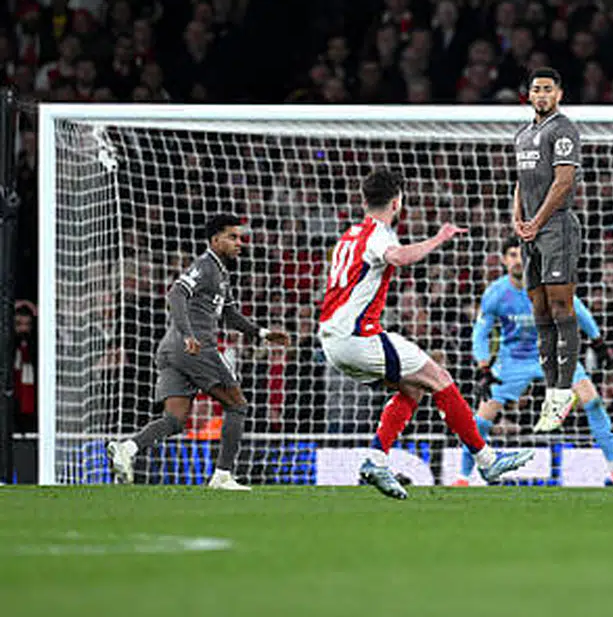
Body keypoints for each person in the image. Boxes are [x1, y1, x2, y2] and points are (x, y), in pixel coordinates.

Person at [317, 168, 532, 500]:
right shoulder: (379, 233)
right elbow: (398, 257)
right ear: (397, 201)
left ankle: (376, 459)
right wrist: (439, 237)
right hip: (358, 336)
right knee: (439, 378)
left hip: (332, 340)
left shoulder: (350, 235)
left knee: (414, 387)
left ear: (363, 200)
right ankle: (487, 460)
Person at [106, 215, 289, 490]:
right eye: (232, 237)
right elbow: (176, 294)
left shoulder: (219, 273)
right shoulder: (205, 266)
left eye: (240, 237)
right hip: (194, 347)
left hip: (171, 349)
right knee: (237, 405)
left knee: (174, 420)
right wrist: (190, 334)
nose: (240, 243)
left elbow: (229, 313)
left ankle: (128, 449)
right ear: (215, 240)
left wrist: (260, 333)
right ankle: (222, 475)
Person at [458, 236, 613, 486]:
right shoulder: (495, 294)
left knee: (593, 400)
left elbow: (578, 310)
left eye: (520, 254)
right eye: (511, 255)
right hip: (513, 360)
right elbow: (480, 333)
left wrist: (598, 342)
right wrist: (483, 366)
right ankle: (463, 477)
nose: (517, 260)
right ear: (503, 260)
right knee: (481, 418)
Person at [512, 67, 583, 432]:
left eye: (547, 90)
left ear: (559, 94)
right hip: (532, 232)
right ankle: (550, 393)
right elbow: (521, 183)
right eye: (536, 89)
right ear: (529, 94)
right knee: (539, 310)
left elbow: (563, 181)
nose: (541, 95)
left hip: (557, 227)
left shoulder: (563, 129)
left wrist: (536, 221)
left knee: (560, 306)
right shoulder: (523, 135)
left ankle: (562, 391)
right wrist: (517, 218)